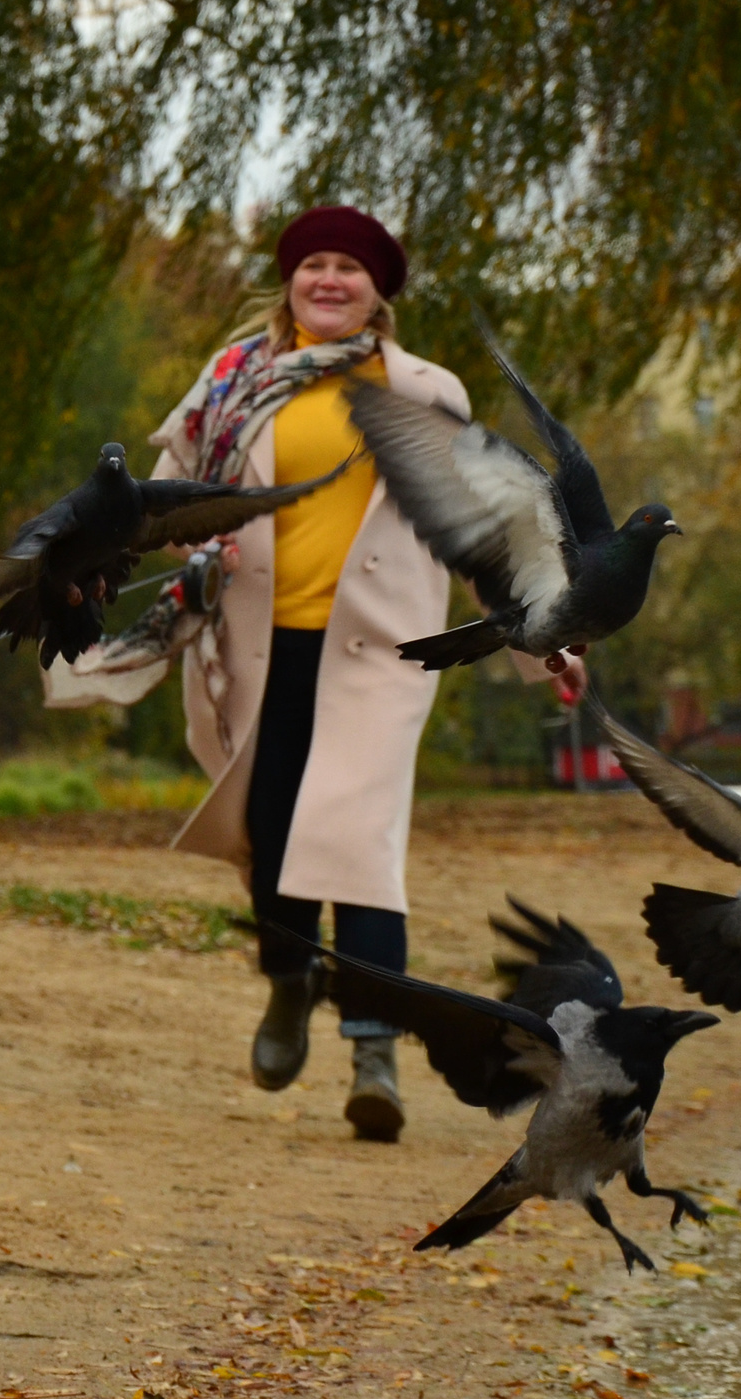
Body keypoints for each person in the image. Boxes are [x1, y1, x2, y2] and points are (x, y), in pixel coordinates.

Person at [139, 206, 565, 1139]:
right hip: (256, 642)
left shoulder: (426, 391)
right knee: (275, 829)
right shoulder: (233, 380)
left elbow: (481, 536)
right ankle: (290, 981)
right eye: (313, 265)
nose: (329, 280)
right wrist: (178, 547)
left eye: (349, 269)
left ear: (379, 293)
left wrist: (547, 646)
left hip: (381, 649)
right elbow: (164, 496)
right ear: (290, 280)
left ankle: (375, 1053)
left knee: (360, 841)